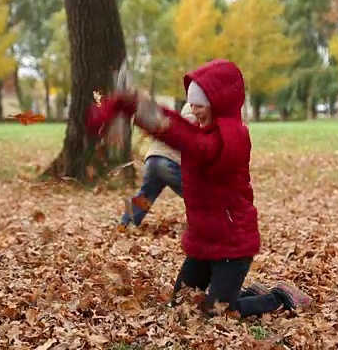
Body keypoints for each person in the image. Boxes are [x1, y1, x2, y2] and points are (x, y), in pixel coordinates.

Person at [86, 59, 312, 318]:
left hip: (231, 244)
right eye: (191, 105)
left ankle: (278, 298)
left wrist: (141, 109)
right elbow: (182, 130)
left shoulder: (231, 137)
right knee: (181, 304)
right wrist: (135, 106)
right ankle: (128, 221)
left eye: (200, 106)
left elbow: (189, 141)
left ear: (218, 104)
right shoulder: (201, 129)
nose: (193, 111)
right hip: (203, 239)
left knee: (217, 313)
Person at [118, 102, 196, 229]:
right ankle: (201, 226)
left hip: (152, 159)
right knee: (196, 193)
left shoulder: (177, 122)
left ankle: (126, 223)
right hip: (170, 162)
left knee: (145, 194)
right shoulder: (196, 124)